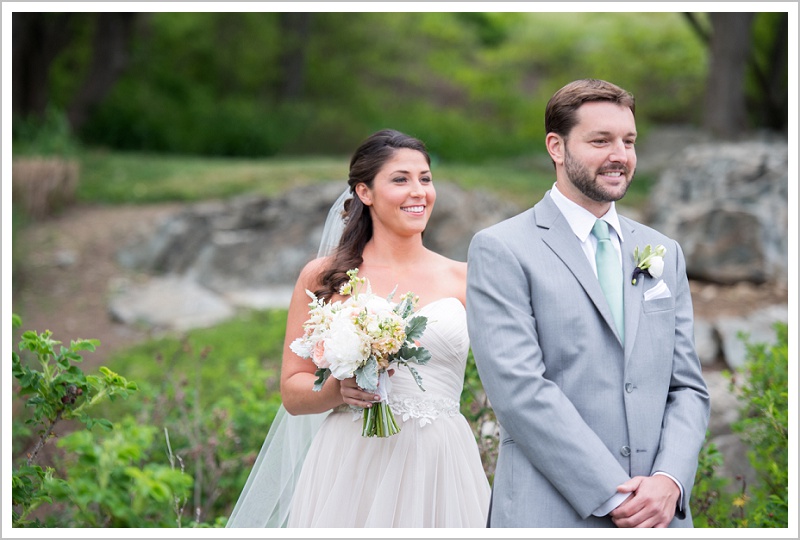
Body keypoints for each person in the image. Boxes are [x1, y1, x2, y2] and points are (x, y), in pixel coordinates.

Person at [466, 79, 710, 528]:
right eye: (601, 140)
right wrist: (611, 495)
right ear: (556, 147)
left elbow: (687, 387)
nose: (620, 154)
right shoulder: (502, 248)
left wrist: (669, 481)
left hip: (659, 517)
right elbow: (520, 391)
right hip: (553, 512)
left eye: (629, 141)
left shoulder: (662, 251)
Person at [227, 129, 490, 528]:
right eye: (400, 179)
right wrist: (336, 389)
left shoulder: (466, 278)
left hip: (438, 461)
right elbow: (293, 393)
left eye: (425, 178)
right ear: (364, 192)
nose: (418, 191)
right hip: (350, 460)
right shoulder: (325, 277)